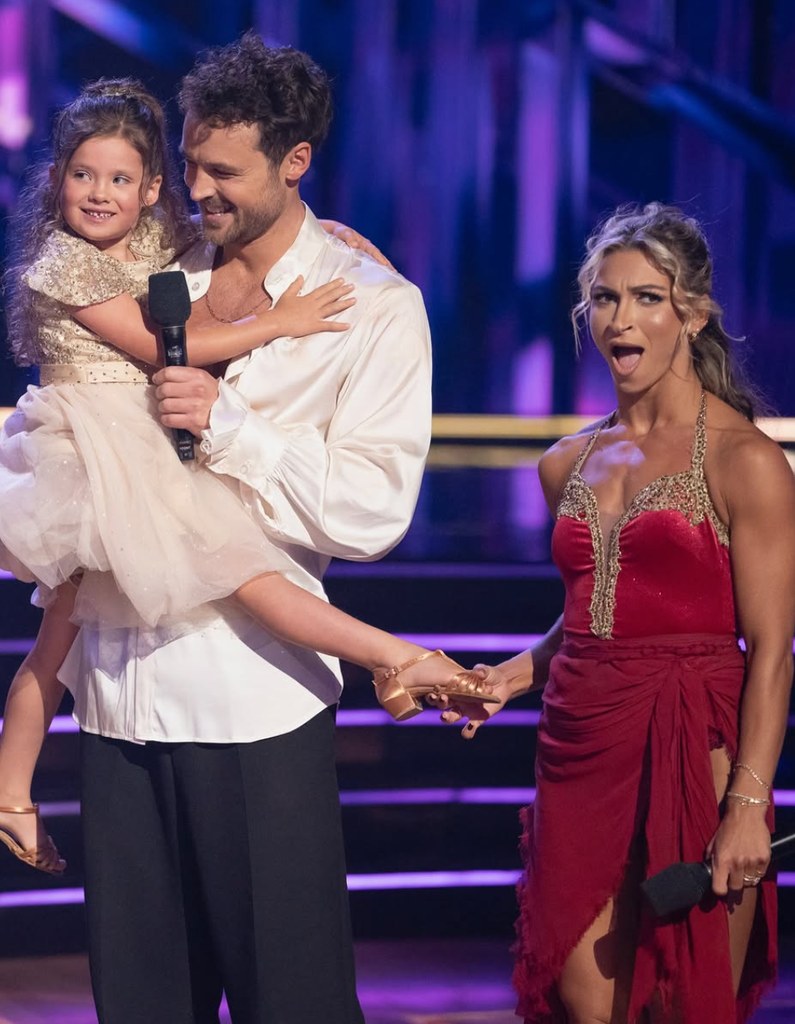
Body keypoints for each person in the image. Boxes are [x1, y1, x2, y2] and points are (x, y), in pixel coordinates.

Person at [0, 43, 495, 1021]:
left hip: (254, 708)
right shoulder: (150, 266)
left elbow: (370, 512)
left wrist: (226, 423)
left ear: (295, 162)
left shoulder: (375, 308)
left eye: (223, 171)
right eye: (187, 165)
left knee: (292, 1002)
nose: (198, 188)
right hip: (117, 709)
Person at [439, 203, 795, 1023]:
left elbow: (773, 650)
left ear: (691, 315)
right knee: (583, 1000)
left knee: (681, 996)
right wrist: (508, 678)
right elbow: (588, 617)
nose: (619, 318)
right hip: (579, 741)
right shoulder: (565, 461)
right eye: (603, 298)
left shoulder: (745, 461)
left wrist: (747, 803)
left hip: (694, 739)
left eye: (645, 298)